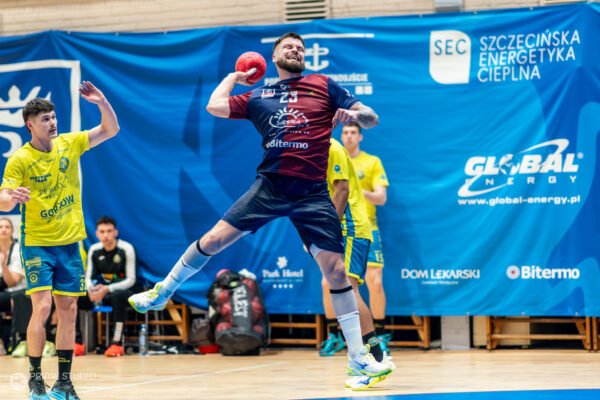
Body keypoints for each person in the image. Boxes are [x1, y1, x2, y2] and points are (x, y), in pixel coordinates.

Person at [129, 32, 391, 385]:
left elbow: (371, 118)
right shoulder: (259, 95)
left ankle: (358, 359)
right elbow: (214, 106)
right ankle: (163, 291)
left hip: (312, 193)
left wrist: (356, 113)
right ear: (275, 56)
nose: (296, 50)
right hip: (270, 186)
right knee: (214, 239)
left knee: (337, 273)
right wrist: (233, 77)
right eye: (288, 47)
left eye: (300, 48)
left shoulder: (323, 85)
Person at [0, 81, 119, 400]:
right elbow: (3, 200)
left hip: (70, 244)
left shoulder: (70, 143)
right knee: (42, 309)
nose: (52, 123)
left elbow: (111, 129)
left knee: (68, 310)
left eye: (53, 117)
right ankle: (35, 380)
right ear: (30, 125)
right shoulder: (20, 159)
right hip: (38, 244)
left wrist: (101, 101)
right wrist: (11, 197)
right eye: (45, 119)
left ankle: (64, 383)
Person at [320, 138, 394, 390]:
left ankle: (375, 357)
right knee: (341, 288)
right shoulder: (316, 148)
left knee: (350, 289)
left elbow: (341, 192)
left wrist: (324, 232)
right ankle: (368, 355)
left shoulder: (332, 148)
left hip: (351, 228)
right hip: (342, 228)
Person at [341, 121, 391, 351]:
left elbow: (381, 198)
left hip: (366, 227)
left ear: (360, 136)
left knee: (375, 281)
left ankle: (379, 336)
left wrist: (357, 191)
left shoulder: (372, 162)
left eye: (353, 132)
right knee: (330, 282)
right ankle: (336, 336)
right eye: (345, 132)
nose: (349, 136)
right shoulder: (334, 158)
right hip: (339, 227)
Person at [76, 216, 137, 357]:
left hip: (123, 292)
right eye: (102, 232)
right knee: (76, 297)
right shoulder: (94, 249)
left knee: (117, 295)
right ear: (97, 234)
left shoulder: (126, 248)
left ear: (115, 232)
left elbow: (131, 280)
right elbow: (89, 277)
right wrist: (91, 290)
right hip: (100, 293)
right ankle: (77, 343)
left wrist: (107, 289)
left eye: (109, 231)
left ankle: (117, 343)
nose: (106, 235)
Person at [0, 217, 27, 354]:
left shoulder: (18, 249)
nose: (3, 230)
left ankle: (13, 341)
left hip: (19, 291)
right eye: (0, 227)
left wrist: (3, 264)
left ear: (12, 231)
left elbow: (12, 281)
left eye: (7, 227)